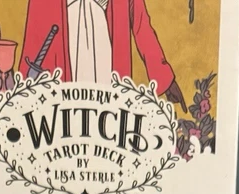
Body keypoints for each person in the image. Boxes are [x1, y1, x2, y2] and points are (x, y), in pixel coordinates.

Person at [19, 0, 187, 111]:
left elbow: (140, 22)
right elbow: (36, 24)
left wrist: (164, 77)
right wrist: (23, 90)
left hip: (104, 48)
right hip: (65, 45)